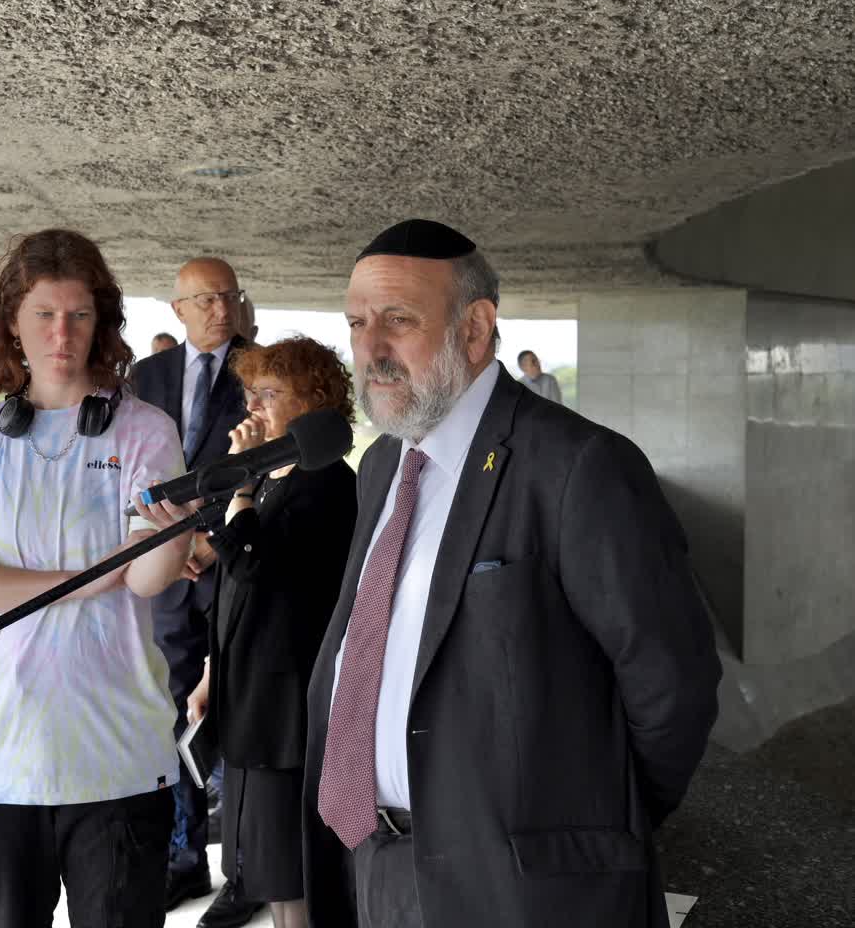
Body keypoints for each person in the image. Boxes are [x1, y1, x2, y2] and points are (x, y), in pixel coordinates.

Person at [304, 219, 722, 928]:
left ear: (473, 328)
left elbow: (670, 681)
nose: (370, 349)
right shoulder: (379, 466)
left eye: (397, 320)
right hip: (377, 864)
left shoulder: (578, 466)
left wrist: (595, 825)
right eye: (356, 324)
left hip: (528, 890)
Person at [0, 228, 193, 928]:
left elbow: (146, 579)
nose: (62, 333)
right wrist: (87, 577)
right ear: (11, 324)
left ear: (100, 322)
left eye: (79, 314)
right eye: (44, 314)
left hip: (117, 757)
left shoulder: (145, 431)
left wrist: (174, 532)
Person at [181, 337, 357, 928]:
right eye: (251, 393)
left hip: (286, 709)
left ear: (311, 400)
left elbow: (255, 565)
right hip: (250, 698)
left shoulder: (326, 482)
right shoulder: (276, 477)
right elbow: (233, 591)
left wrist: (241, 483)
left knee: (289, 870)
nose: (253, 406)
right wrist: (212, 672)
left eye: (270, 393)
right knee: (260, 866)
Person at [131, 258, 259, 922]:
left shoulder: (259, 369)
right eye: (205, 299)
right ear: (176, 309)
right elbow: (130, 468)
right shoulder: (145, 376)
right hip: (167, 575)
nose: (219, 308)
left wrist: (212, 537)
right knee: (171, 715)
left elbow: (270, 459)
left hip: (233, 565)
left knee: (234, 716)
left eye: (228, 296)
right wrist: (163, 544)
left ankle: (246, 868)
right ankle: (185, 858)